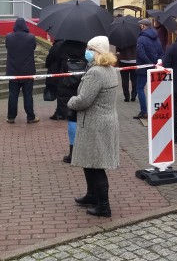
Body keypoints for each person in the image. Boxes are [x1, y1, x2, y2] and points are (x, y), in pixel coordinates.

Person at [68, 35, 119, 218]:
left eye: (90, 49)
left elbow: (83, 100)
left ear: (97, 52)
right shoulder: (110, 69)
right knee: (89, 162)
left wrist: (71, 101)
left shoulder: (96, 73)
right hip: (104, 121)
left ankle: (103, 206)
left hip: (95, 123)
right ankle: (91, 196)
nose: (87, 52)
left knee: (96, 165)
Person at [5, 17, 38, 124]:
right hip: (27, 71)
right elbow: (33, 48)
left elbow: (7, 47)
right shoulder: (31, 37)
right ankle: (30, 116)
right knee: (28, 95)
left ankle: (11, 117)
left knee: (13, 95)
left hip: (13, 71)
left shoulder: (9, 37)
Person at [45, 39, 86, 121]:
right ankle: (75, 111)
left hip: (65, 72)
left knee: (63, 94)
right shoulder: (83, 44)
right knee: (77, 92)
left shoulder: (64, 45)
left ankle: (62, 114)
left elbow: (58, 58)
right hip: (79, 73)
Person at [134, 18, 163, 119]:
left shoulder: (141, 39)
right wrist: (157, 63)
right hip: (155, 67)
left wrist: (148, 63)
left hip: (143, 67)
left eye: (140, 25)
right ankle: (156, 110)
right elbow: (161, 51)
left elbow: (141, 53)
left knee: (140, 88)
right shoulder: (156, 37)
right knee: (154, 89)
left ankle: (144, 111)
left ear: (143, 26)